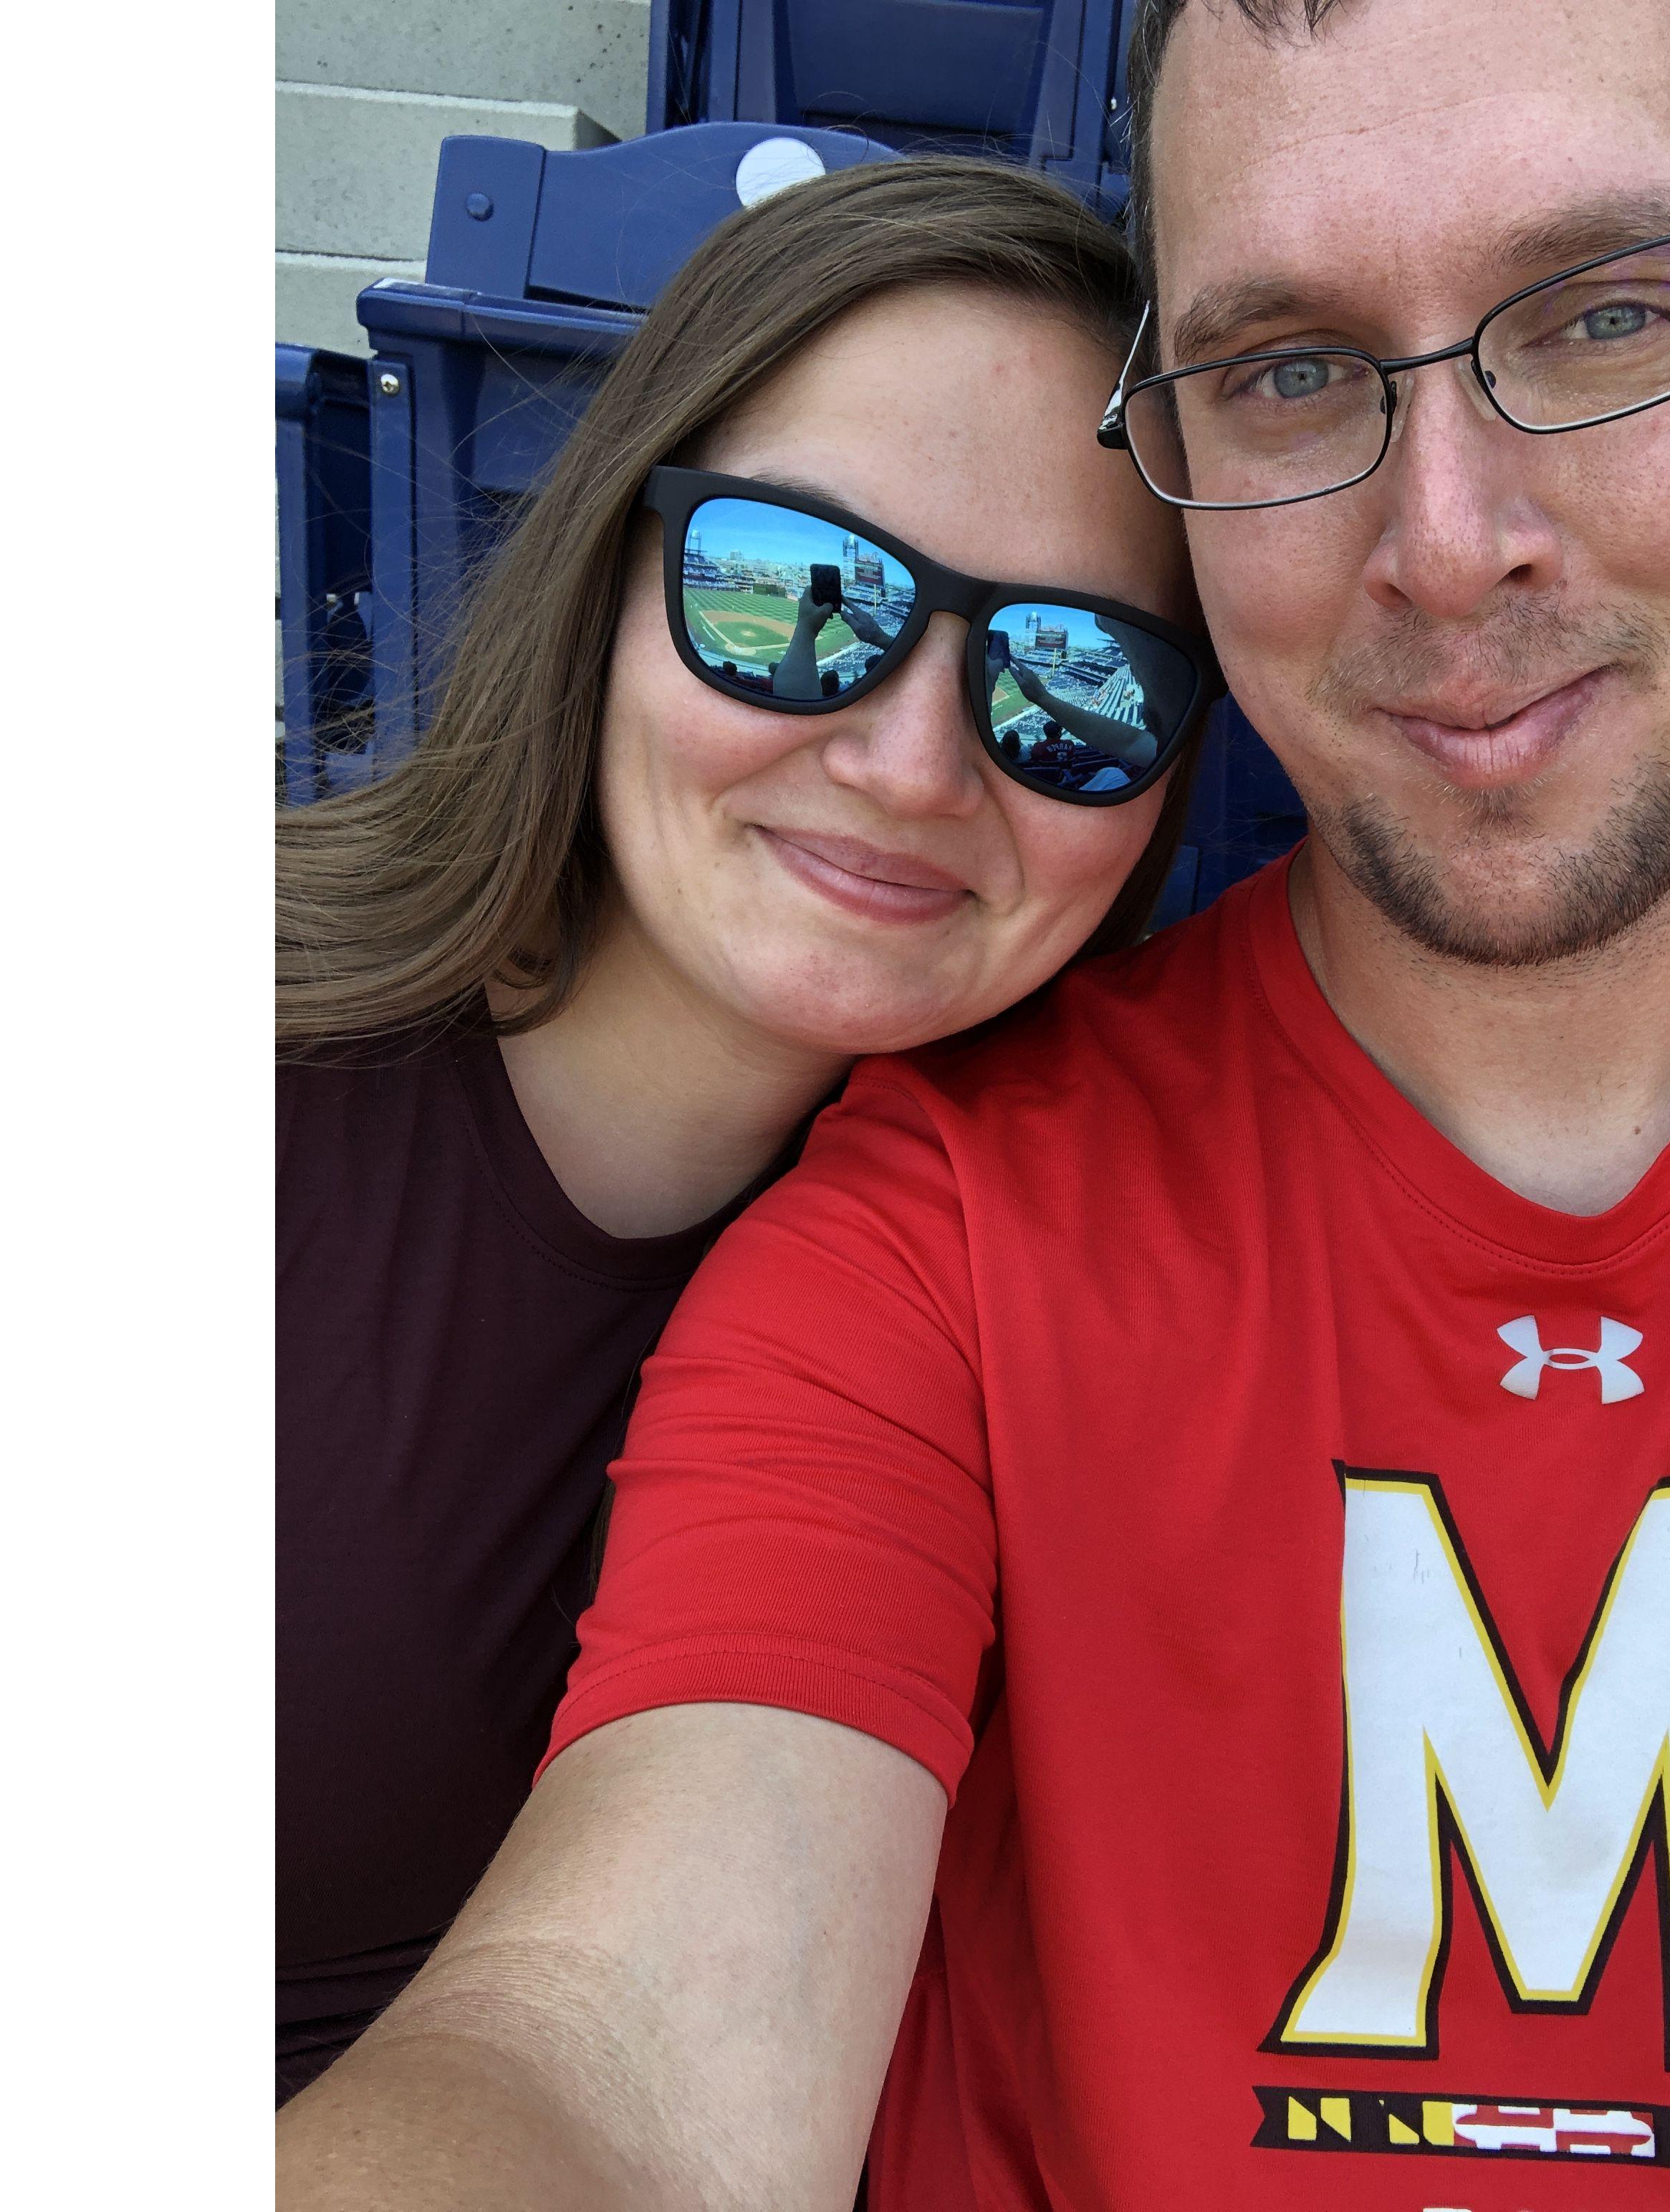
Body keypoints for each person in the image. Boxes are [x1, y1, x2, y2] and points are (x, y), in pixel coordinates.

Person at [277, 3, 1670, 2206]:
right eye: (1293, 368)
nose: (1448, 544)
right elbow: (613, 2064)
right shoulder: (936, 1226)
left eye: (1612, 313)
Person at [273, 157, 1211, 2107]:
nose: (909, 762)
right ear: (614, 575)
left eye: (1074, 684)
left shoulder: (1071, 1279)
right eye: (795, 594)